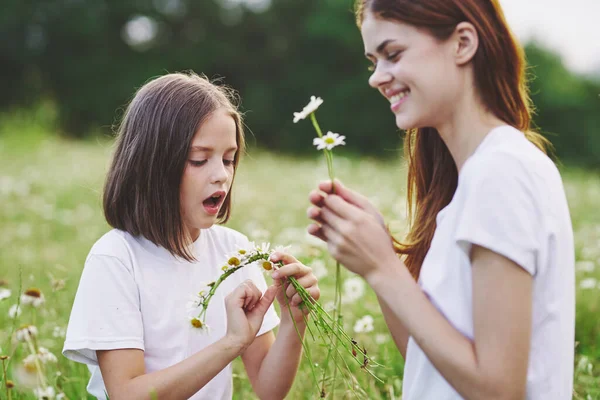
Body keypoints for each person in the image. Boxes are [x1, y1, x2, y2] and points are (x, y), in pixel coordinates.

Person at [307, 1, 575, 399]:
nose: (377, 78)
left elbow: (500, 390)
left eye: (393, 54)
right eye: (372, 62)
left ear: (462, 43)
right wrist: (374, 255)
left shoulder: (501, 172)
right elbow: (427, 363)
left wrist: (383, 268)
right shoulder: (471, 183)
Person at [63, 72, 320, 400]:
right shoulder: (116, 258)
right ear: (152, 164)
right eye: (199, 160)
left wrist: (293, 321)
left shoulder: (234, 251)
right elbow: (127, 394)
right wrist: (231, 344)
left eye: (229, 160)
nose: (221, 175)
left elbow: (269, 389)